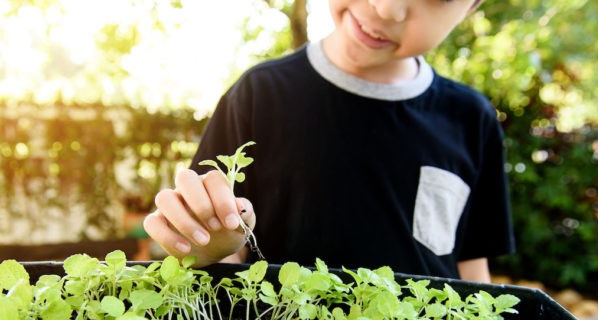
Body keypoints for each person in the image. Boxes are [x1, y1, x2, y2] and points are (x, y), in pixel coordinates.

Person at [144, 0, 515, 282]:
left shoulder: (471, 118)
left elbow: (472, 264)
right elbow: (218, 251)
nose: (386, 8)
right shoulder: (260, 97)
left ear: (473, 7)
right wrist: (209, 247)